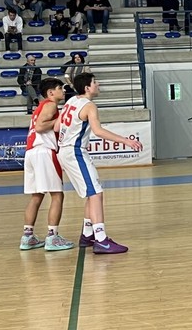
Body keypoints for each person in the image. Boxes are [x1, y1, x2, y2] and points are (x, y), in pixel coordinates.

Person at [56, 73, 143, 253]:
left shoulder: (70, 102)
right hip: (75, 151)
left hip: (65, 150)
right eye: (95, 82)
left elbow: (57, 127)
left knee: (92, 192)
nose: (98, 84)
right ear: (87, 88)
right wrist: (126, 141)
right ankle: (101, 239)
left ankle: (88, 234)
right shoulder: (89, 106)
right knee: (96, 193)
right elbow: (98, 131)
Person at [20, 78, 75, 251]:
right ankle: (53, 237)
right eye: (60, 88)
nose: (63, 91)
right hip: (44, 151)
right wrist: (61, 122)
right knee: (57, 195)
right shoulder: (50, 105)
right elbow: (40, 127)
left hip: (31, 152)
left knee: (36, 196)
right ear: (51, 92)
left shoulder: (40, 107)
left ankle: (28, 237)